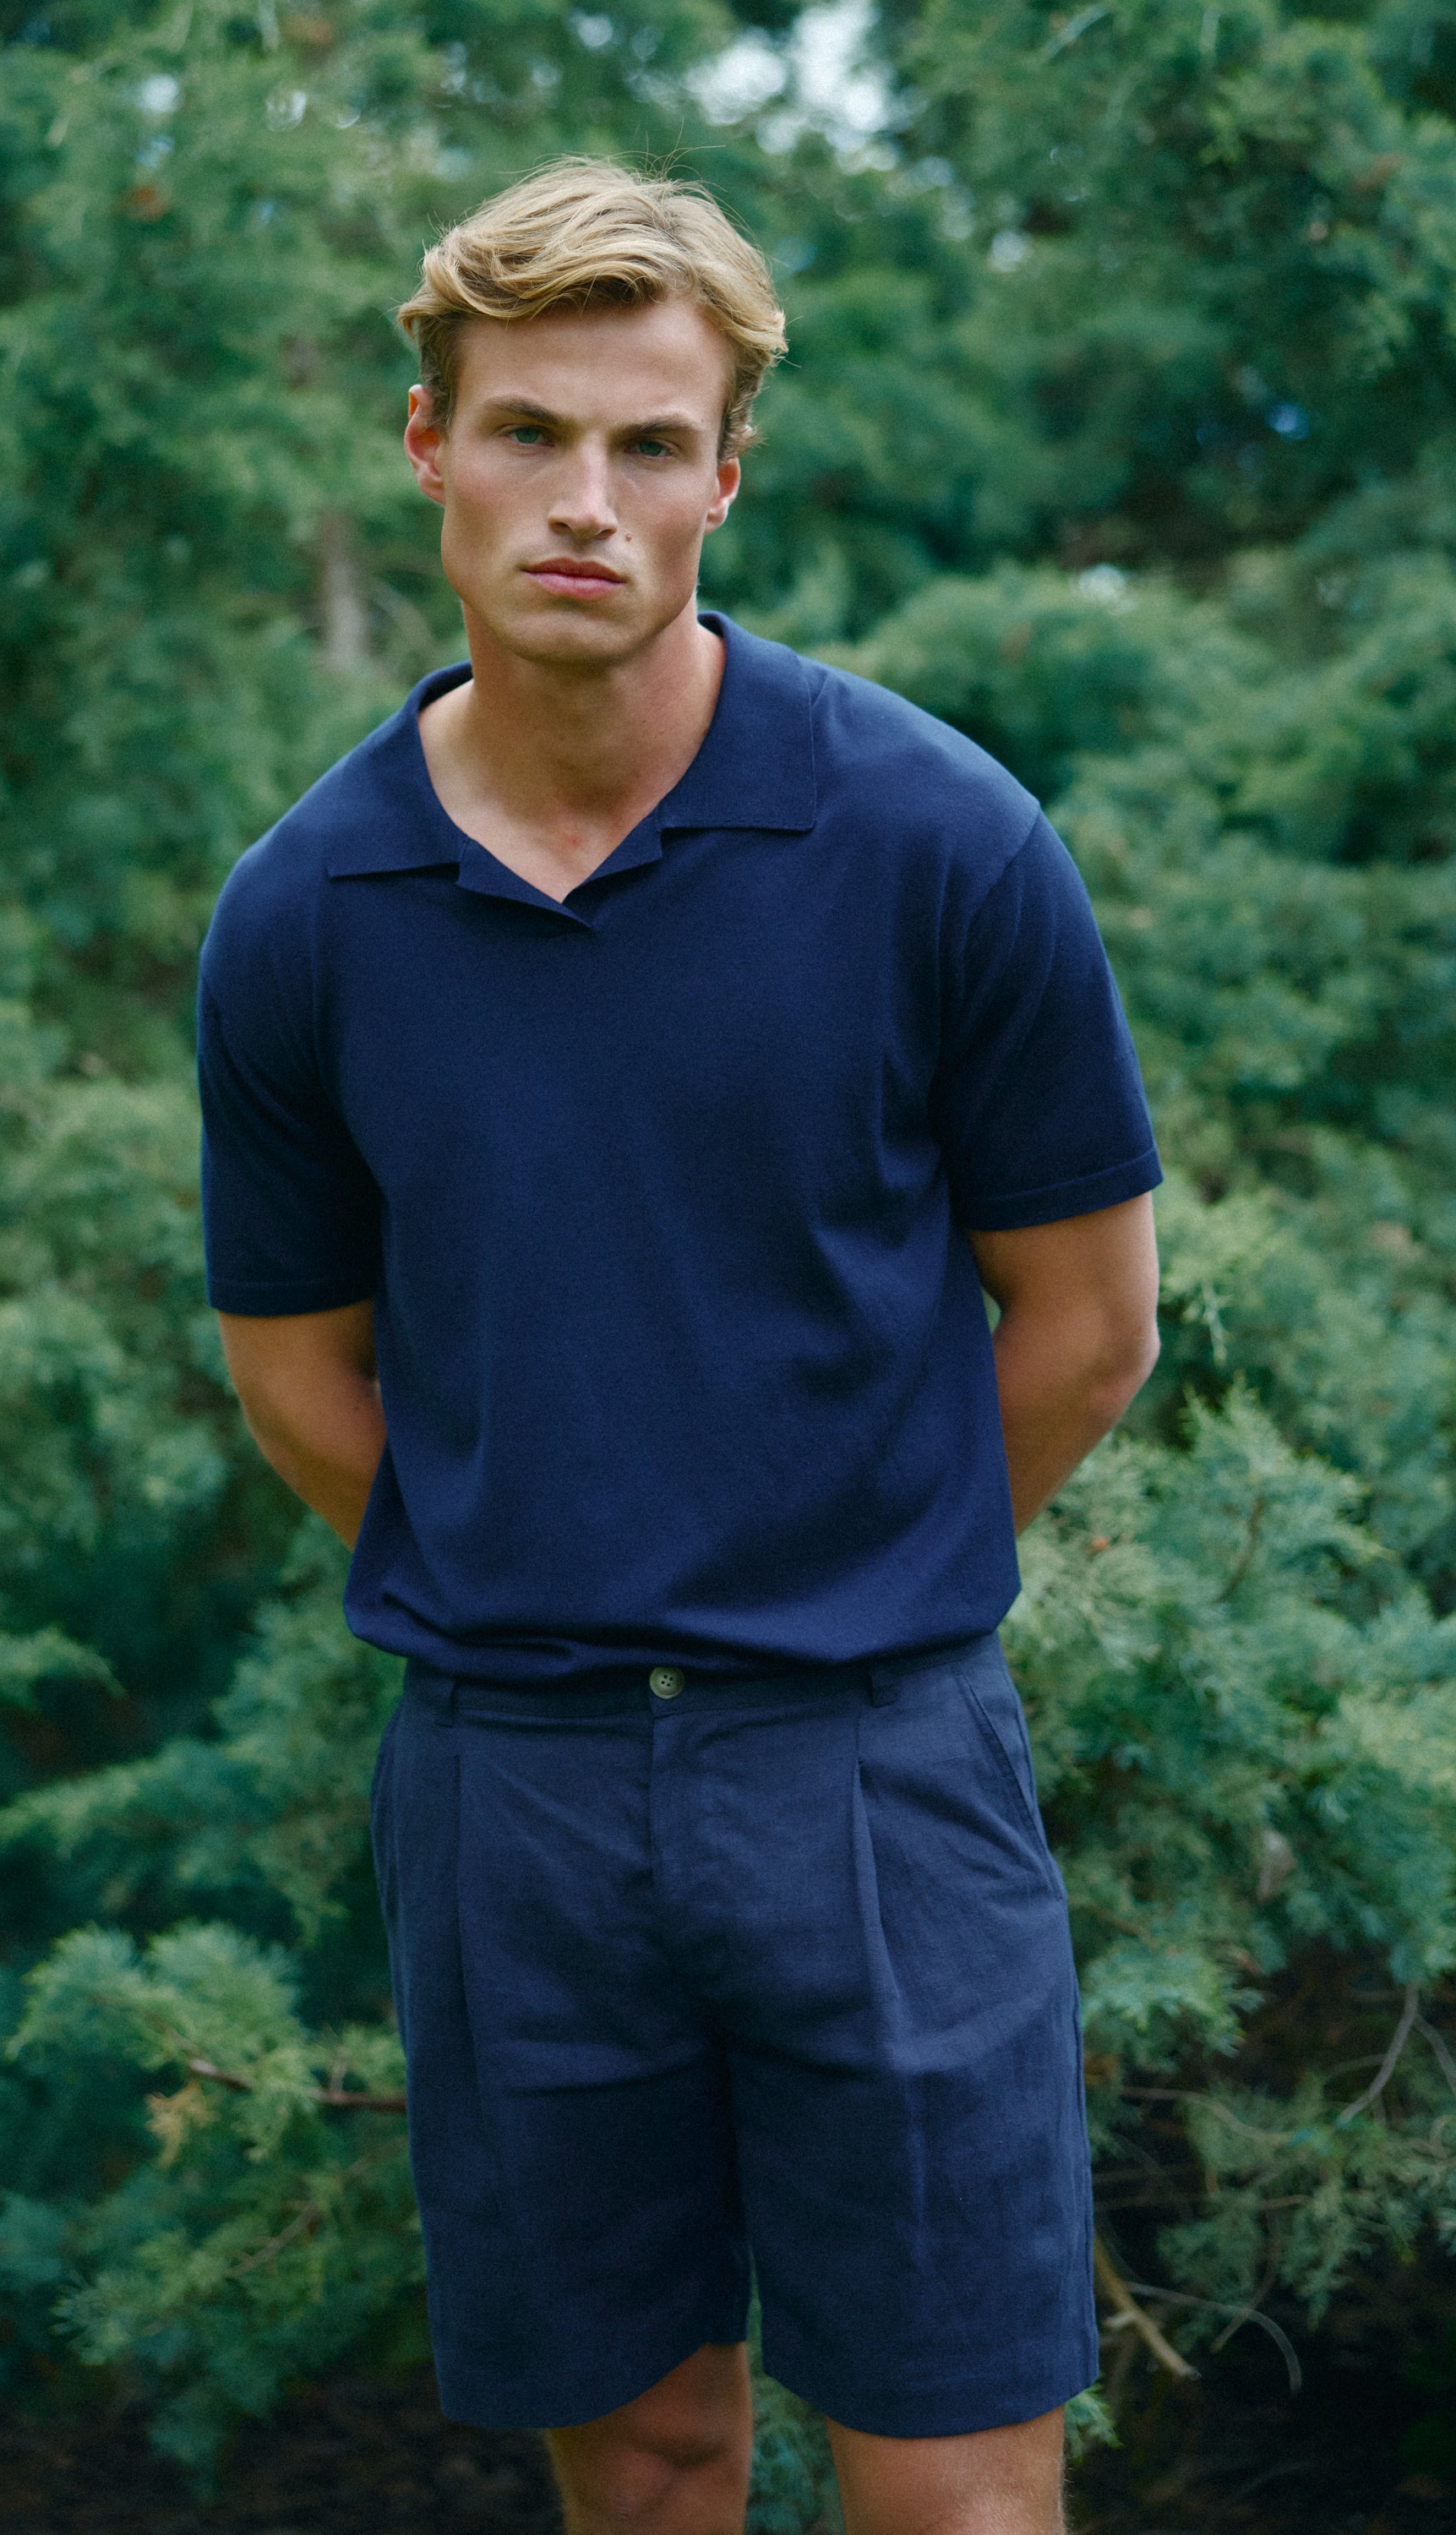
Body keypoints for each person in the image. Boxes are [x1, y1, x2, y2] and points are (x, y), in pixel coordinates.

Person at [197, 159, 1162, 2535]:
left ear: (725, 476)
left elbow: (1085, 1326)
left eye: (650, 446)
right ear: (426, 447)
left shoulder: (937, 843)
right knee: (638, 2469)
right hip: (510, 1792)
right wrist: (536, 1569)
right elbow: (297, 1377)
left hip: (876, 1770)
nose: (585, 501)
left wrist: (840, 1578)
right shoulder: (307, 914)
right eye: (528, 432)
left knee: (956, 2493)